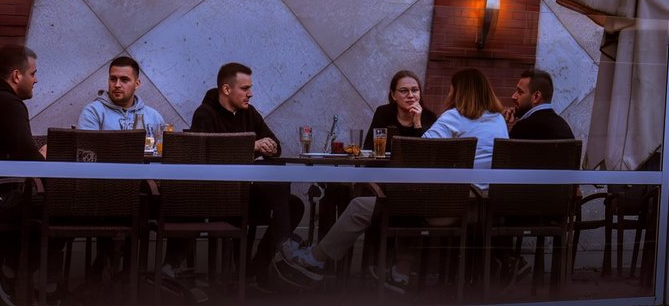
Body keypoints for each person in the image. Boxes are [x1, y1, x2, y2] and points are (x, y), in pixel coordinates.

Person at [279, 68, 508, 290]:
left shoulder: (453, 117)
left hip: (446, 208)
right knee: (405, 201)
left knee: (365, 205)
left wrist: (418, 125)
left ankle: (314, 260)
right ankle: (400, 273)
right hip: (480, 208)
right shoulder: (498, 120)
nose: (449, 95)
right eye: (404, 91)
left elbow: (420, 153)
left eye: (452, 90)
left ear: (461, 92)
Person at [189, 62, 296, 286]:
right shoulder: (205, 114)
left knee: (292, 202)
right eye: (245, 88)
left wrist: (271, 147)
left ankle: (257, 266)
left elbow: (274, 143)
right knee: (279, 191)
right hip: (216, 196)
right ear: (227, 89)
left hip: (245, 192)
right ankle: (284, 253)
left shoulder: (249, 112)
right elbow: (206, 156)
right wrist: (252, 146)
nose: (251, 93)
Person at [0, 46, 41, 306]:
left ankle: (6, 269)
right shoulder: (8, 104)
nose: (36, 79)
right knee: (58, 208)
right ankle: (12, 273)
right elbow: (31, 160)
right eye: (32, 73)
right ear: (15, 75)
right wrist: (44, 154)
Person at [77, 55, 167, 134]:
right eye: (113, 79)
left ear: (137, 84)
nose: (117, 85)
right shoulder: (93, 112)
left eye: (124, 80)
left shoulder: (154, 117)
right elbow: (87, 151)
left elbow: (163, 151)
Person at [507, 68, 574, 140]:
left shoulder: (522, 128)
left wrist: (503, 125)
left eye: (520, 92)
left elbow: (503, 150)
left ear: (536, 97)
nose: (513, 96)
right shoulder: (564, 127)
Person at [369, 70, 436, 139]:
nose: (410, 95)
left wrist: (417, 124)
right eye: (404, 91)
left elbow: (426, 149)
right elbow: (368, 146)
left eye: (414, 90)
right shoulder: (383, 113)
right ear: (393, 95)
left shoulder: (430, 117)